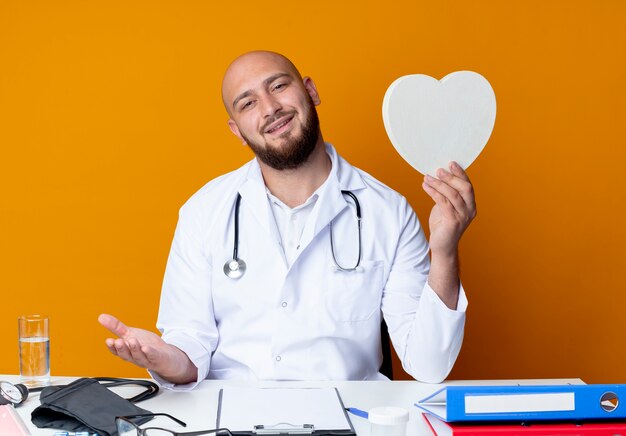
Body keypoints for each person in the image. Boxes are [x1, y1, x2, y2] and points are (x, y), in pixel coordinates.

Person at [99, 50, 476, 389]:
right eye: (247, 104)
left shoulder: (388, 212)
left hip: (347, 418)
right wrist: (166, 359)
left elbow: (429, 364)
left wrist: (444, 253)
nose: (269, 108)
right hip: (231, 418)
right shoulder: (203, 211)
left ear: (310, 91)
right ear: (237, 131)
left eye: (278, 85)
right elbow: (190, 344)